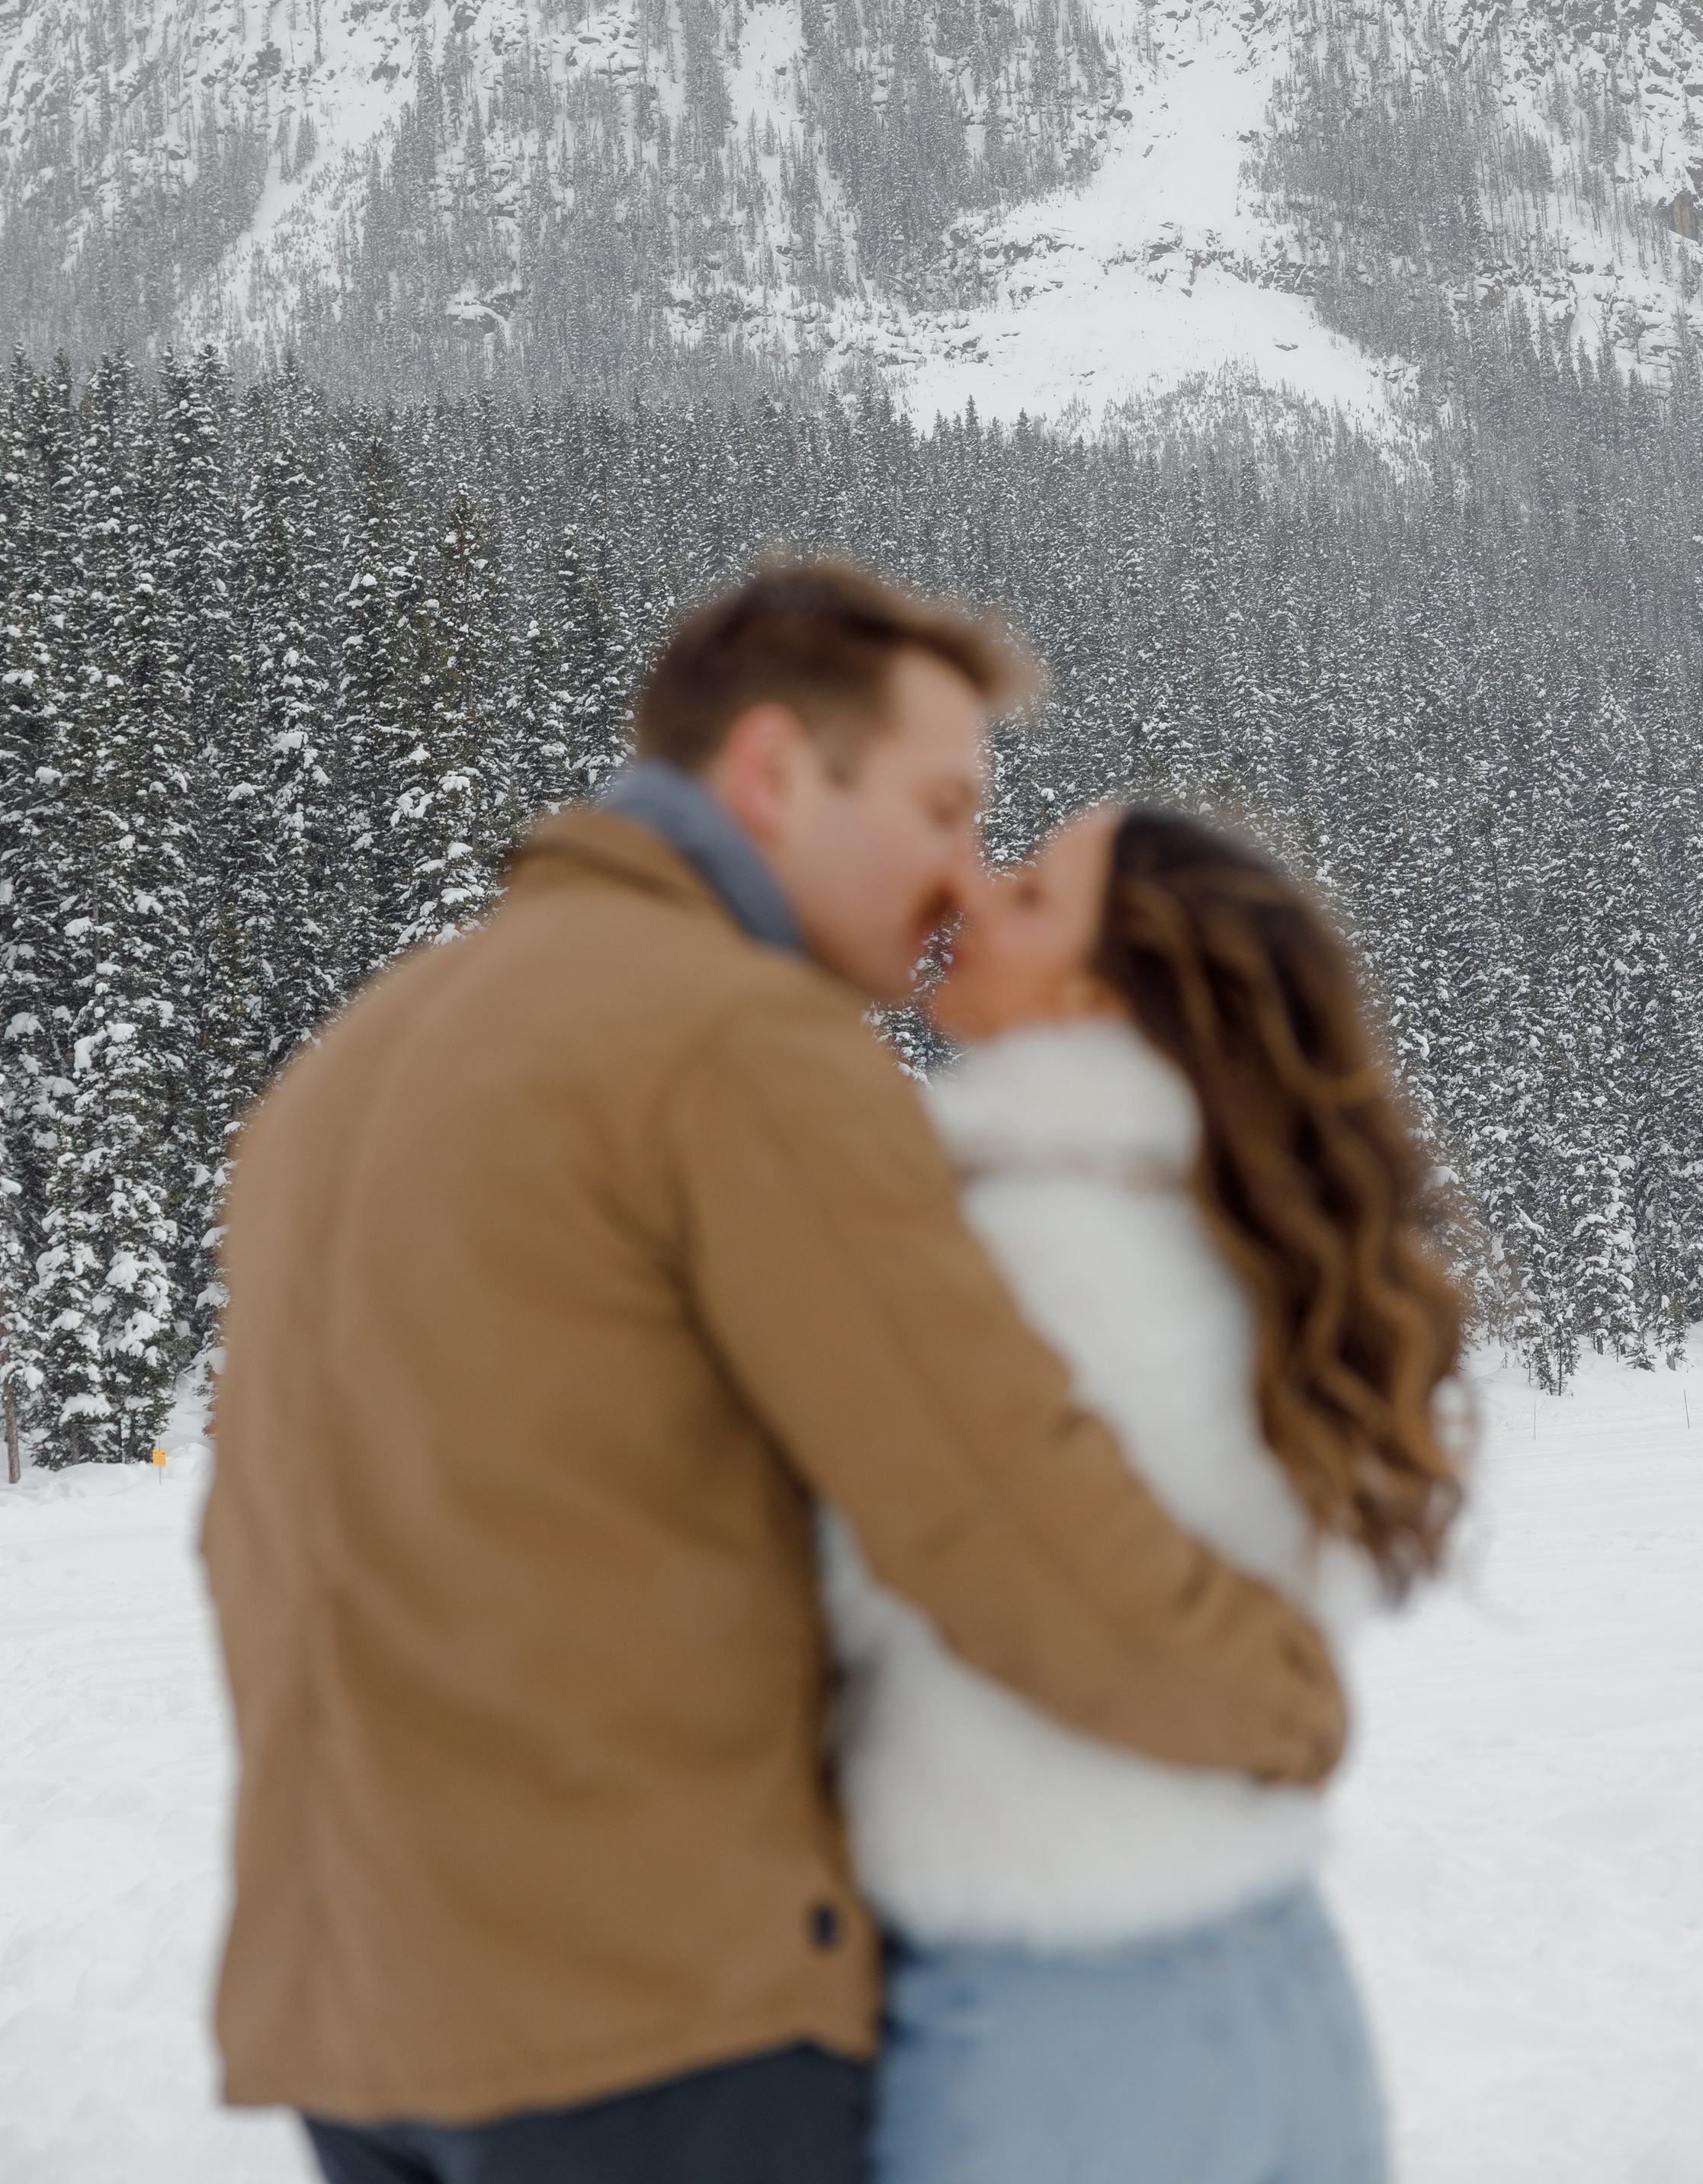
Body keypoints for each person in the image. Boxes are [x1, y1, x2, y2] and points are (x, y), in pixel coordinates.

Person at [201, 563, 1351, 2184]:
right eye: (941, 806)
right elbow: (995, 1520)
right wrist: (1283, 1705)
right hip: (649, 2035)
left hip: (358, 2030)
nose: (962, 872)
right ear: (770, 773)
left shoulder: (347, 1067)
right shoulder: (736, 1045)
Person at [823, 803, 1466, 2184]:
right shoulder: (1257, 1243)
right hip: (1277, 1982)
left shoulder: (1003, 1253)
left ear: (1103, 990)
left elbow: (845, 1590)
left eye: (1034, 891)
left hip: (1058, 2022)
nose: (976, 895)